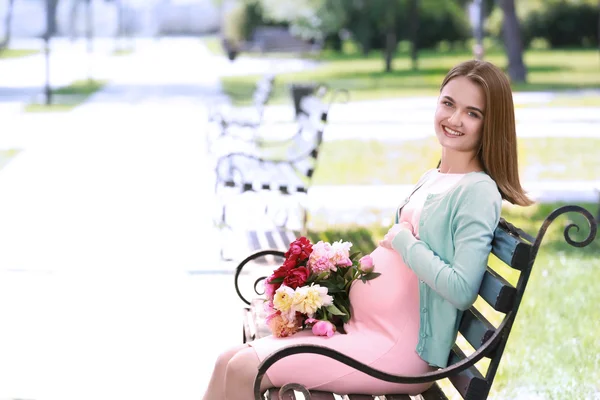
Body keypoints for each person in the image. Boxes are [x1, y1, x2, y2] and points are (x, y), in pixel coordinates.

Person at [202, 59, 534, 400]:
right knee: (228, 360)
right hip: (364, 332)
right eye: (448, 103)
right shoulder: (437, 176)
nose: (454, 119)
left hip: (397, 351)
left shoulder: (478, 191)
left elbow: (463, 289)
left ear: (490, 125)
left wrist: (405, 243)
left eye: (472, 113)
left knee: (245, 370)